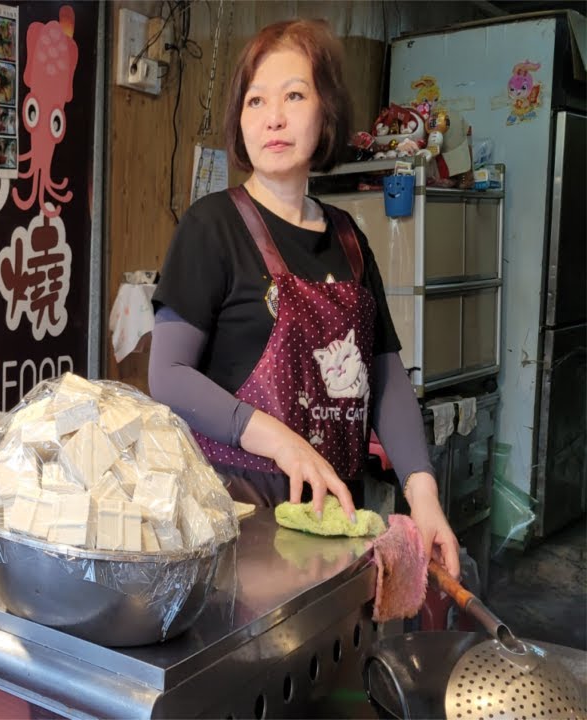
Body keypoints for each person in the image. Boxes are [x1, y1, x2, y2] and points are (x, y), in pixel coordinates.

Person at [149, 19, 460, 576]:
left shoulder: (349, 239)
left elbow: (384, 378)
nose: (273, 117)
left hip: (334, 518)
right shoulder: (211, 226)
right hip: (236, 515)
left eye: (294, 95)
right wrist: (282, 443)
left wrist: (424, 495)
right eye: (255, 100)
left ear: (326, 111)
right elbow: (167, 375)